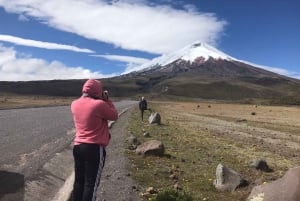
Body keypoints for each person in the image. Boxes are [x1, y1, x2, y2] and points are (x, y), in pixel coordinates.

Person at [71, 79, 118, 201]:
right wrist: (107, 100)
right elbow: (114, 116)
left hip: (78, 147)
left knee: (79, 182)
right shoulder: (99, 104)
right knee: (91, 185)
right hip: (94, 148)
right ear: (98, 90)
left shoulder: (74, 104)